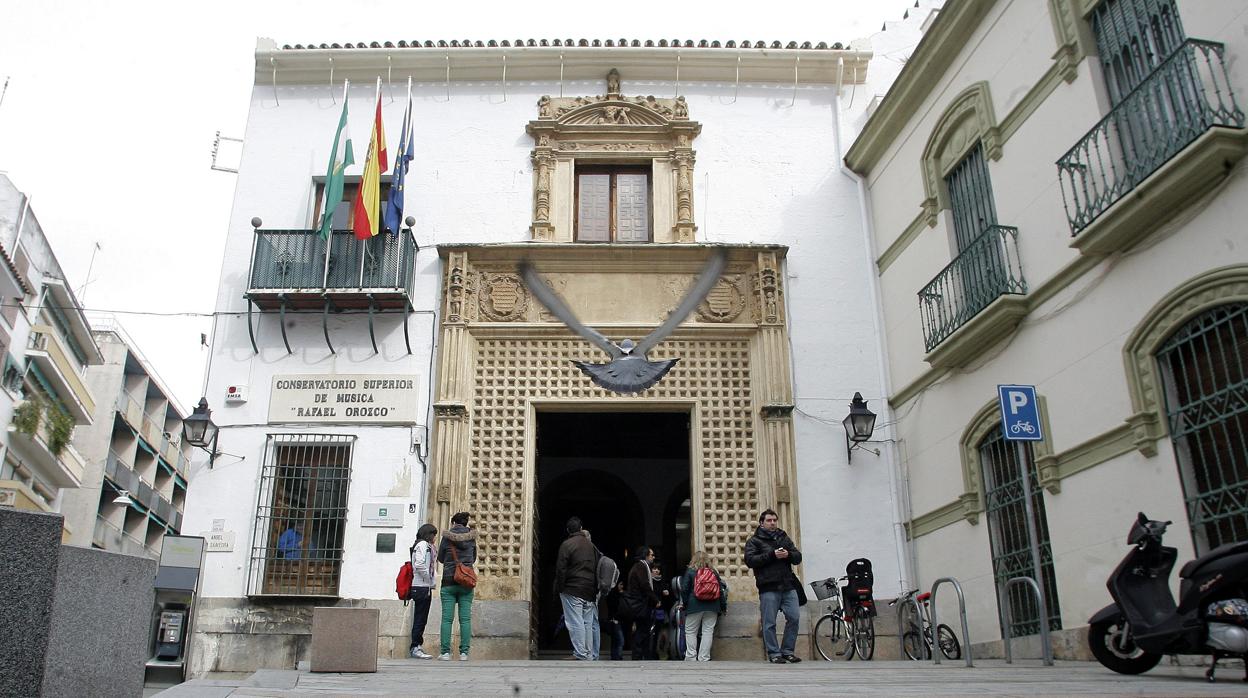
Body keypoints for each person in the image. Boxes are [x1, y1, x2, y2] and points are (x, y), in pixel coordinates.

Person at [743, 508, 803, 664]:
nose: (772, 523)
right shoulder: (754, 541)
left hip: (788, 585)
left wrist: (788, 555)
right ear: (762, 523)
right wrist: (772, 555)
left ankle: (788, 651)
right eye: (769, 520)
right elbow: (750, 561)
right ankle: (774, 653)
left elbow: (797, 557)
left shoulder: (783, 538)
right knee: (769, 622)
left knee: (794, 618)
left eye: (774, 520)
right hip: (768, 586)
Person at [554, 516, 599, 660]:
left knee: (575, 621)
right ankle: (589, 654)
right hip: (589, 589)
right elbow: (597, 567)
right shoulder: (591, 546)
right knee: (587, 622)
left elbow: (561, 569)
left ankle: (580, 653)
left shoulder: (567, 545)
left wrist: (560, 587)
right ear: (581, 529)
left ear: (568, 530)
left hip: (572, 588)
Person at [438, 511, 477, 661]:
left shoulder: (447, 537)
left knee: (447, 619)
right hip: (466, 582)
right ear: (466, 523)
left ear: (453, 523)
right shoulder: (472, 538)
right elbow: (473, 558)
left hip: (448, 581)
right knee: (465, 619)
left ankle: (445, 652)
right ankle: (464, 653)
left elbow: (441, 558)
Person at [680, 551, 724, 661]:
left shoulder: (690, 571)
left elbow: (684, 589)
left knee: (690, 631)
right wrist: (723, 607)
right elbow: (721, 591)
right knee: (708, 632)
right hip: (712, 606)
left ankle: (691, 656)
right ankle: (704, 657)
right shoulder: (714, 572)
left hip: (694, 605)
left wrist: (685, 604)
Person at [623, 546, 661, 660]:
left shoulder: (642, 566)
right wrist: (656, 599)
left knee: (644, 630)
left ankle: (644, 655)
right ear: (645, 555)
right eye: (651, 555)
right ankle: (638, 656)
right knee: (642, 630)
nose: (653, 557)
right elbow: (645, 585)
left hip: (641, 603)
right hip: (640, 604)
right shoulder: (641, 566)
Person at [407, 523, 438, 659]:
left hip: (423, 586)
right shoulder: (422, 545)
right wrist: (429, 578)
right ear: (429, 535)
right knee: (420, 618)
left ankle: (417, 646)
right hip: (421, 587)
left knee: (422, 618)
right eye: (434, 535)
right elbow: (419, 564)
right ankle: (415, 647)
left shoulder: (423, 546)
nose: (435, 538)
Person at [601, 581, 626, 660]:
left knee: (616, 639)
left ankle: (615, 656)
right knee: (619, 640)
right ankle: (617, 656)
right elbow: (613, 606)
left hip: (621, 620)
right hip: (614, 620)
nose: (622, 586)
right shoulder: (613, 595)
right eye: (620, 584)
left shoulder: (623, 594)